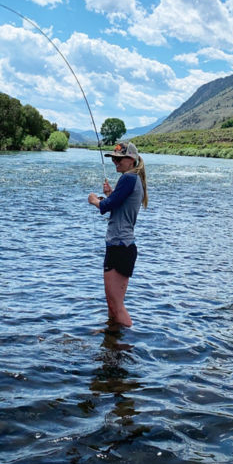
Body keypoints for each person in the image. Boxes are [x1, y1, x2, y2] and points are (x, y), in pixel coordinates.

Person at [88, 140, 148, 327]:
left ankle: (126, 347)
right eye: (114, 158)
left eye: (119, 158)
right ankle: (112, 346)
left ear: (131, 159)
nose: (115, 161)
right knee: (113, 305)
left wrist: (94, 200)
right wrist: (112, 193)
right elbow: (118, 205)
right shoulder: (132, 180)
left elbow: (106, 206)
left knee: (116, 305)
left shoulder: (129, 179)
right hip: (121, 246)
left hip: (120, 246)